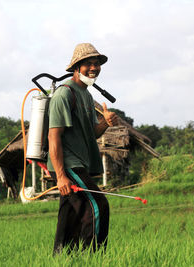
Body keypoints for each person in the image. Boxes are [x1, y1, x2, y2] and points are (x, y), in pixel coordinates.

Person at [47, 43, 118, 253]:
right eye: (88, 63)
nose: (94, 68)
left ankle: (62, 256)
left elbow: (92, 134)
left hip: (79, 164)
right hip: (68, 164)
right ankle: (94, 257)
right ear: (76, 67)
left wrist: (106, 122)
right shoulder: (64, 94)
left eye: (97, 64)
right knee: (98, 206)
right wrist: (60, 176)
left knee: (71, 214)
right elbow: (54, 137)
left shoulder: (86, 95)